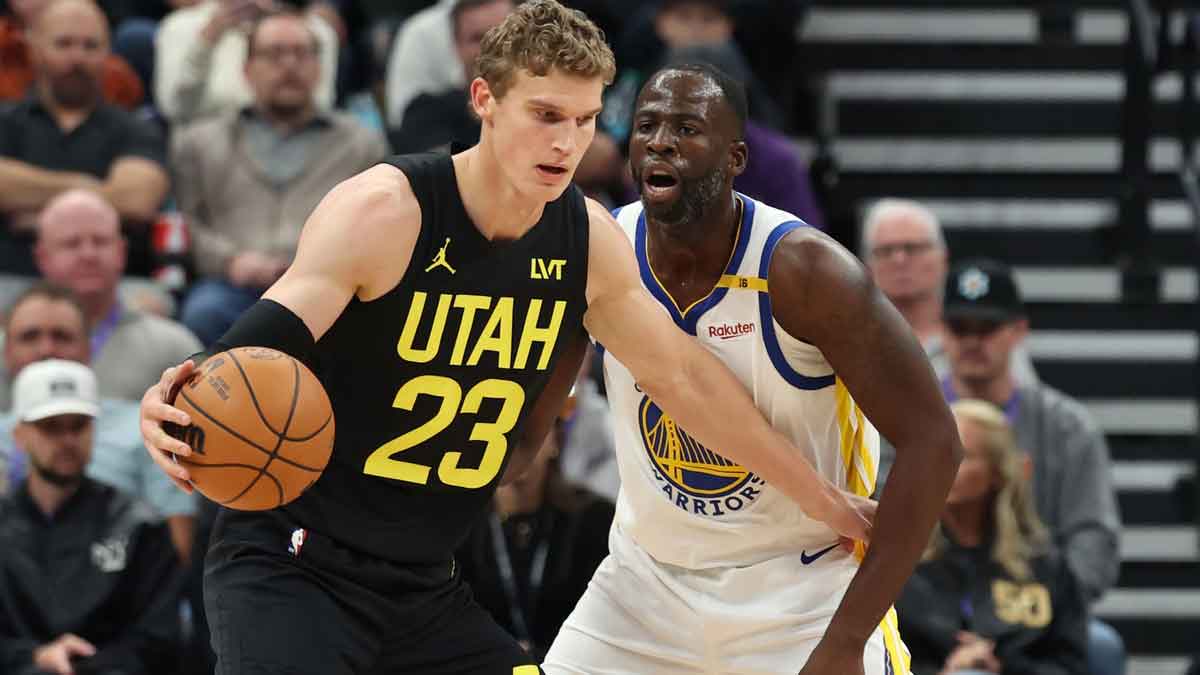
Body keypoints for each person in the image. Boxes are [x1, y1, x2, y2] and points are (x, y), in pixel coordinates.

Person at [138, 2, 874, 673]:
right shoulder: (387, 209)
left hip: (424, 586)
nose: (568, 142)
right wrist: (179, 395)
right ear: (485, 100)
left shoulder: (584, 234)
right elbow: (262, 335)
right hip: (294, 566)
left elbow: (682, 378)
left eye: (586, 121)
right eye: (546, 114)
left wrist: (824, 498)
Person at [544, 64, 963, 675]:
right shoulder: (605, 245)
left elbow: (935, 443)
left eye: (687, 128)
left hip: (800, 591)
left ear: (735, 157)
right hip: (644, 584)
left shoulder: (808, 273)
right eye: (647, 125)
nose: (660, 141)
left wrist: (846, 640)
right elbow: (539, 406)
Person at [936, 258, 1125, 675]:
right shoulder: (905, 417)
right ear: (940, 330)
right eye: (959, 328)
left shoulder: (1068, 427)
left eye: (986, 328)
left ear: (1018, 331)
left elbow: (1093, 540)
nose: (972, 341)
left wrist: (1022, 619)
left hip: (1033, 606)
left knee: (1098, 645)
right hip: (929, 599)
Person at [172, 9, 387, 346]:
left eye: (301, 54)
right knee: (205, 311)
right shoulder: (201, 142)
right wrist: (231, 262)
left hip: (327, 288)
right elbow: (187, 223)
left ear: (319, 68)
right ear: (247, 69)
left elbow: (376, 227)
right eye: (274, 54)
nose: (289, 65)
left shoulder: (360, 143)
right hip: (231, 286)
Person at [0, 359, 181, 675]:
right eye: (51, 427)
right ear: (19, 435)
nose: (67, 440)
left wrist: (85, 666)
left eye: (78, 425)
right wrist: (37, 657)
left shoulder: (139, 524)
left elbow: (161, 639)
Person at [0, 282, 198, 561]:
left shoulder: (145, 429)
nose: (46, 349)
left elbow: (177, 554)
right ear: (7, 350)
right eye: (29, 337)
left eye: (62, 336)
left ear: (88, 346)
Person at [897, 399, 1088, 675]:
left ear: (997, 472)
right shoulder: (900, 557)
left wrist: (1002, 665)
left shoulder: (1046, 567)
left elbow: (1072, 666)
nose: (942, 466)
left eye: (959, 457)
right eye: (935, 454)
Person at [0, 0, 169, 277]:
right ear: (35, 50)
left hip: (119, 291)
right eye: (63, 44)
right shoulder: (5, 122)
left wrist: (36, 215)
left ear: (108, 53)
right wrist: (86, 187)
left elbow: (137, 201)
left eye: (90, 46)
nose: (77, 57)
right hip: (9, 284)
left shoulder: (136, 128)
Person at [457, 412, 615, 660]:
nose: (516, 449)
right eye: (506, 436)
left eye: (528, 436)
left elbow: (607, 622)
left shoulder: (595, 519)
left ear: (555, 441)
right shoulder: (460, 525)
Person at [31, 190, 203, 404]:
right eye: (72, 243)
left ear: (122, 252)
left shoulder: (172, 346)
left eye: (101, 241)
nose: (88, 254)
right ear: (42, 257)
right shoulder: (14, 347)